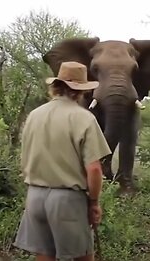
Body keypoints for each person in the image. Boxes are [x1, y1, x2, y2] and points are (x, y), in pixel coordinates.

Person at [13, 61, 112, 261]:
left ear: (56, 86)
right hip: (67, 201)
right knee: (82, 256)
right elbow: (94, 169)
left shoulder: (34, 115)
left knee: (44, 254)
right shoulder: (83, 118)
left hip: (35, 197)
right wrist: (94, 202)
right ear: (80, 91)